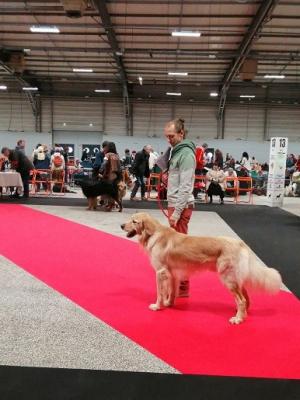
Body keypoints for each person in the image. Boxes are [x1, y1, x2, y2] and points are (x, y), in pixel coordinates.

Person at [160, 118, 196, 297]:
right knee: (176, 248)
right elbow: (178, 181)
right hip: (174, 204)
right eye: (167, 136)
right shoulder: (176, 151)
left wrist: (177, 213)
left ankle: (182, 288)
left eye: (171, 136)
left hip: (180, 206)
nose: (169, 139)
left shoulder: (186, 154)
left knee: (180, 249)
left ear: (181, 133)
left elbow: (186, 187)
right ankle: (178, 285)